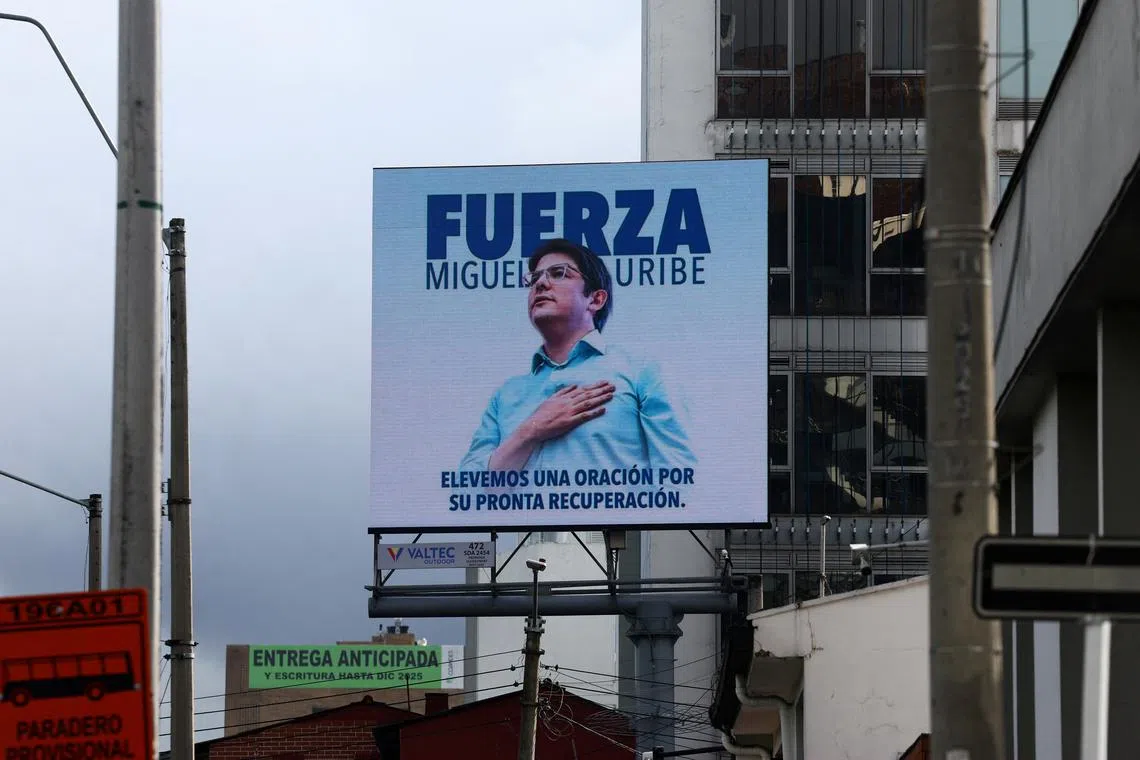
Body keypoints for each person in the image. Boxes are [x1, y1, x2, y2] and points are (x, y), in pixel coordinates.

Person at [458, 238, 696, 477]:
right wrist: (531, 430)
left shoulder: (641, 372)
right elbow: (467, 488)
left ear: (596, 299)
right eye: (534, 278)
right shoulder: (505, 396)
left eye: (558, 273)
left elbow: (680, 478)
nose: (540, 283)